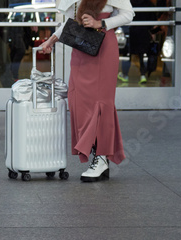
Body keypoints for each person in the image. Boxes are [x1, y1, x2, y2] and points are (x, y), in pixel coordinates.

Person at [40, 0, 134, 182]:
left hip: (104, 47)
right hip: (82, 48)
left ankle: (101, 157)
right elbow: (70, 24)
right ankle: (97, 155)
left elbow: (128, 14)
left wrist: (102, 23)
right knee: (77, 101)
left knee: (100, 104)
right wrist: (52, 39)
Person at [118, 0, 158, 85]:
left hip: (131, 31)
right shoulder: (148, 3)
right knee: (142, 55)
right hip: (144, 32)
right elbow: (153, 20)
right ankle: (143, 75)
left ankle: (125, 75)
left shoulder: (128, 3)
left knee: (128, 54)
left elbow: (122, 18)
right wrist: (152, 32)